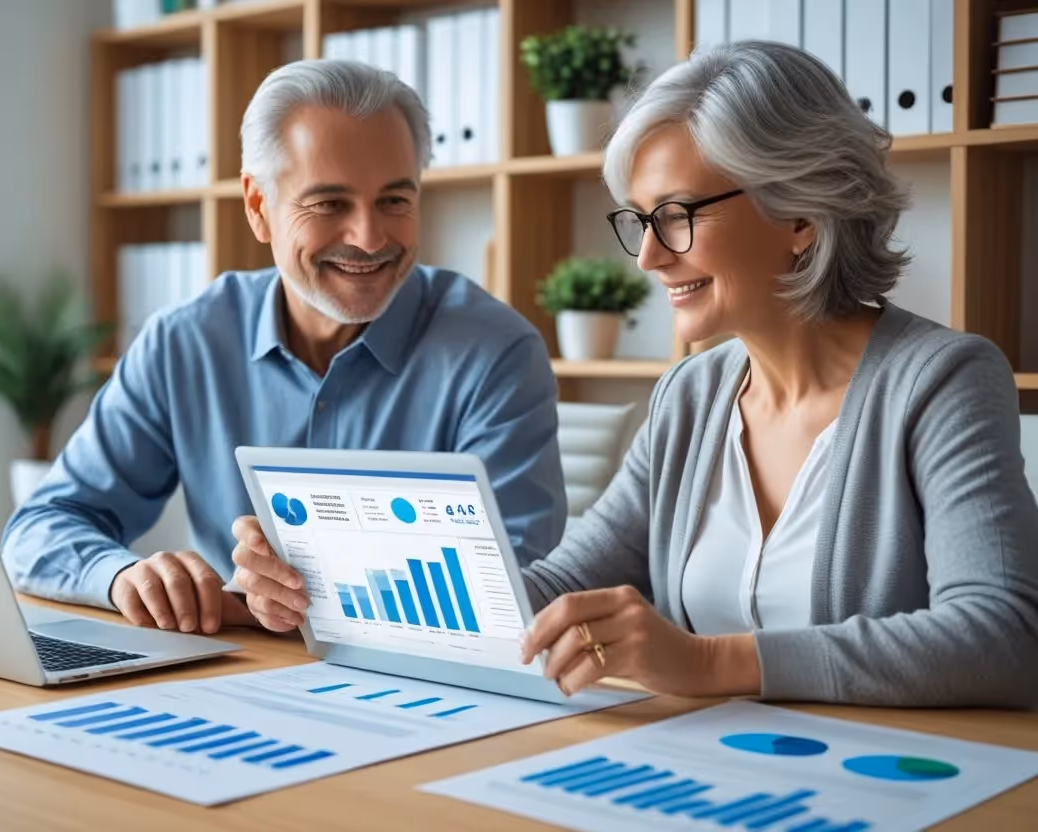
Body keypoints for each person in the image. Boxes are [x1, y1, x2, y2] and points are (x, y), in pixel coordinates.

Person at [235, 41, 1038, 707]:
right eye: (641, 221)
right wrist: (321, 579)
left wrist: (707, 663)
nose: (650, 255)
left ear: (800, 211)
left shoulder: (942, 380)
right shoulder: (693, 396)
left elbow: (1004, 635)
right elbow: (560, 582)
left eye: (677, 216)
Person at [1, 60, 566, 635]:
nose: (369, 238)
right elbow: (40, 528)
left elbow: (520, 583)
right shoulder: (186, 343)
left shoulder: (498, 354)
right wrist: (124, 577)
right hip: (238, 679)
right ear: (257, 207)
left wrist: (308, 593)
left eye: (395, 200)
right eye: (329, 204)